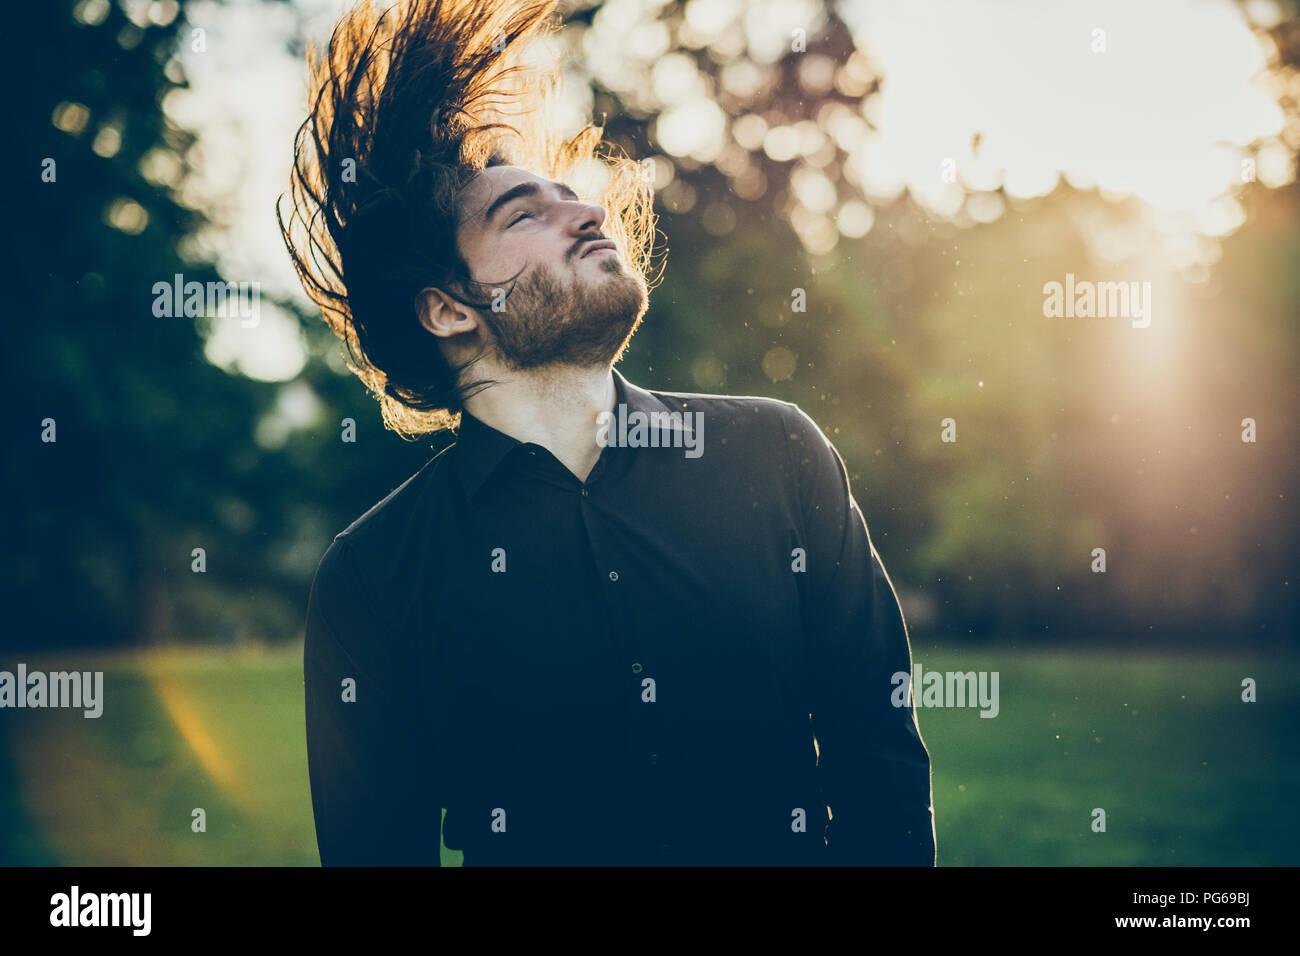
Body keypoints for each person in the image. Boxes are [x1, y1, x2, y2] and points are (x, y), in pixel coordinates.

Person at [279, 0, 935, 866]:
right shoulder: (372, 579)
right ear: (447, 308)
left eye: (571, 197)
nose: (585, 213)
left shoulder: (776, 455)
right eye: (523, 215)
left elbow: (877, 754)